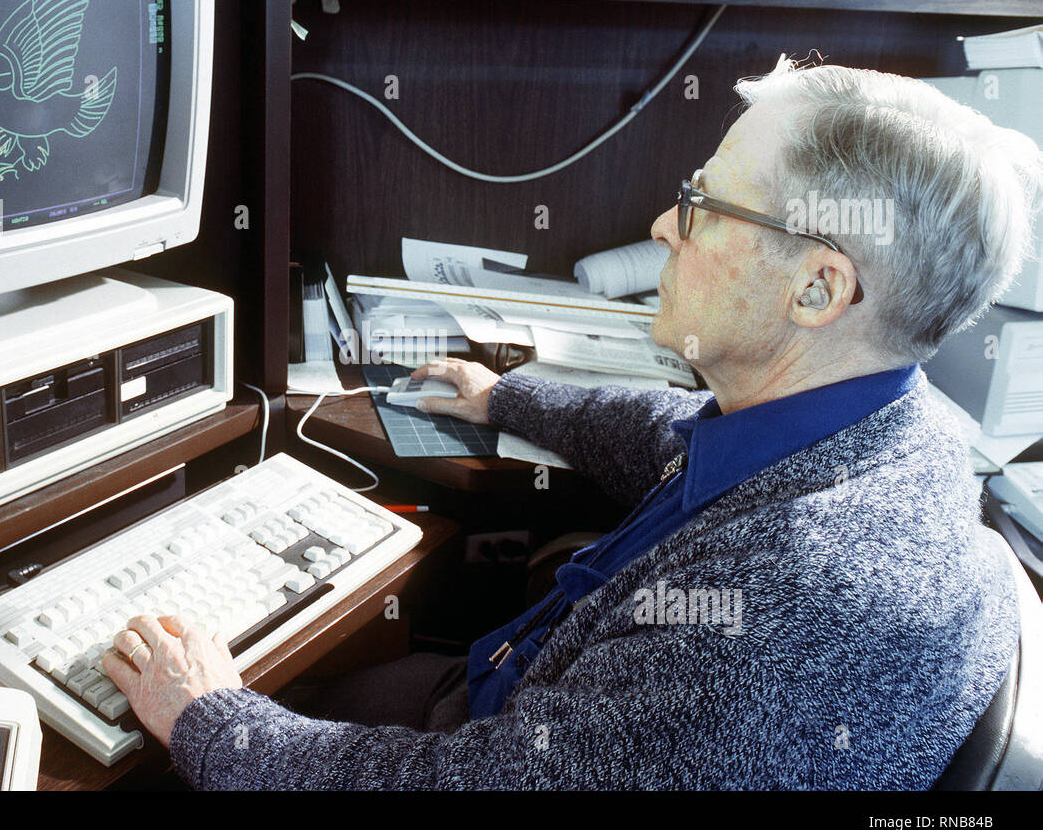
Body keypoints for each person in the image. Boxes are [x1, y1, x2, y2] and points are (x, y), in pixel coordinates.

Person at [101, 59, 1042, 789]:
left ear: (818, 287)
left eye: (704, 206)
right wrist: (502, 396)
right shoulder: (892, 431)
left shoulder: (785, 622)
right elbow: (670, 429)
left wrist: (212, 720)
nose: (663, 227)